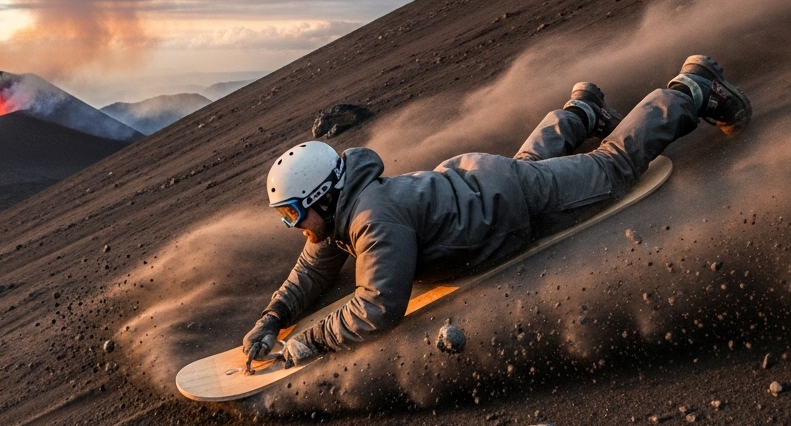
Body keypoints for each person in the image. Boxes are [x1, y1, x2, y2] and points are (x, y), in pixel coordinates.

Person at [242, 54, 751, 368]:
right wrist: (274, 318)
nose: (294, 227)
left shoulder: (373, 221)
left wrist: (310, 342)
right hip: (484, 185)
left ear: (322, 198)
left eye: (292, 214)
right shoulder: (343, 214)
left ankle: (693, 87)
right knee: (531, 163)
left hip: (514, 207)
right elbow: (315, 267)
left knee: (614, 167)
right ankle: (582, 112)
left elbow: (378, 307)